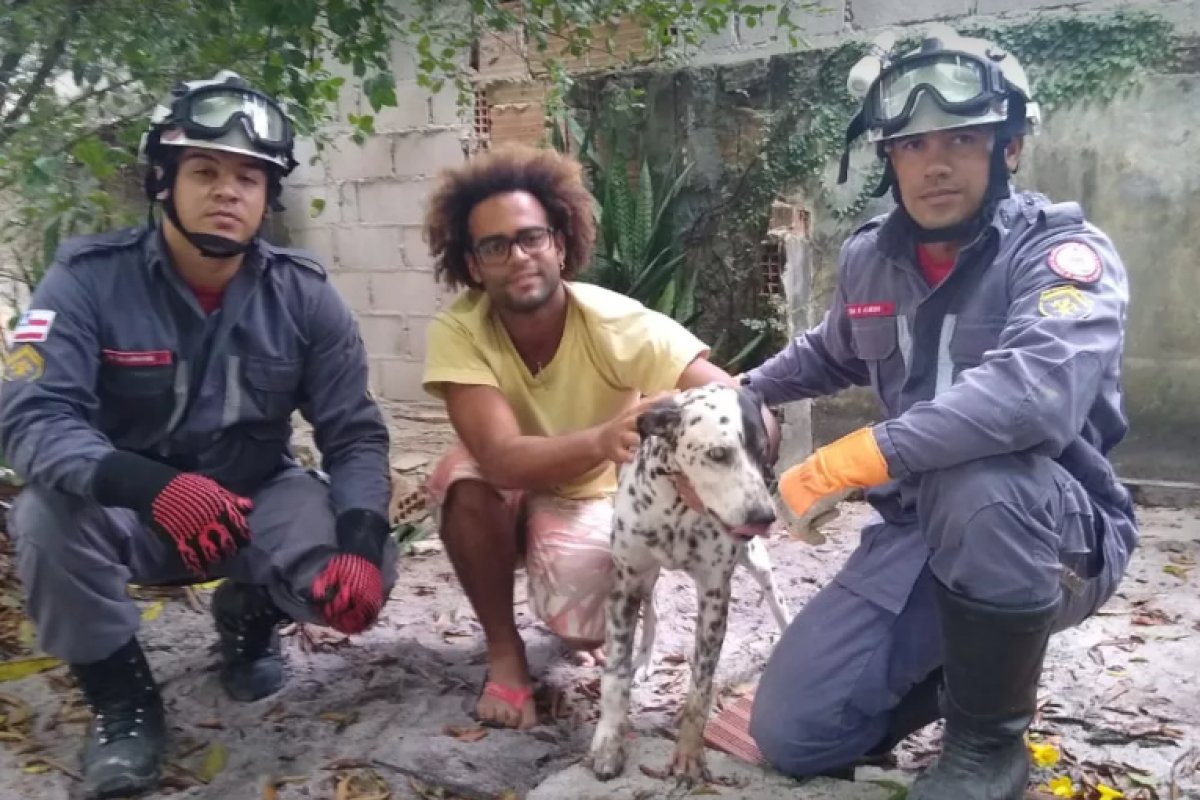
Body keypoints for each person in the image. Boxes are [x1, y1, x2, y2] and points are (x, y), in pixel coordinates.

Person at [740, 28, 1138, 800]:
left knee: (979, 477)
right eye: (913, 145)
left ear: (1009, 148)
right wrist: (740, 390)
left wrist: (852, 459)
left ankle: (988, 744)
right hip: (917, 530)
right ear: (889, 160)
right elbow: (831, 351)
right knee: (797, 733)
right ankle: (978, 658)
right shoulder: (871, 257)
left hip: (1050, 527)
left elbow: (1034, 394)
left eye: (964, 138)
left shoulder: (1061, 255)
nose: (937, 163)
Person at [0, 70, 395, 799]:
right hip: (132, 510)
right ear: (162, 180)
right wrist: (147, 486)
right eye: (205, 170)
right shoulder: (83, 281)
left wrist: (364, 543)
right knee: (44, 518)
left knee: (363, 562)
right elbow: (30, 418)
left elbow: (354, 436)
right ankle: (124, 706)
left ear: (267, 198)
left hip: (253, 502)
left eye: (250, 178)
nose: (227, 192)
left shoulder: (306, 296)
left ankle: (249, 614)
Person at [419, 143, 778, 731]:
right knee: (462, 481)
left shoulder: (618, 324)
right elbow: (501, 458)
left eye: (532, 237)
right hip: (506, 485)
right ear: (473, 264)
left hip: (590, 495)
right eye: (495, 245)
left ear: (559, 245)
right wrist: (605, 437)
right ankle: (505, 656)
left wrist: (723, 473)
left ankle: (587, 578)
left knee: (583, 624)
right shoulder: (460, 330)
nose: (519, 256)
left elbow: (744, 404)